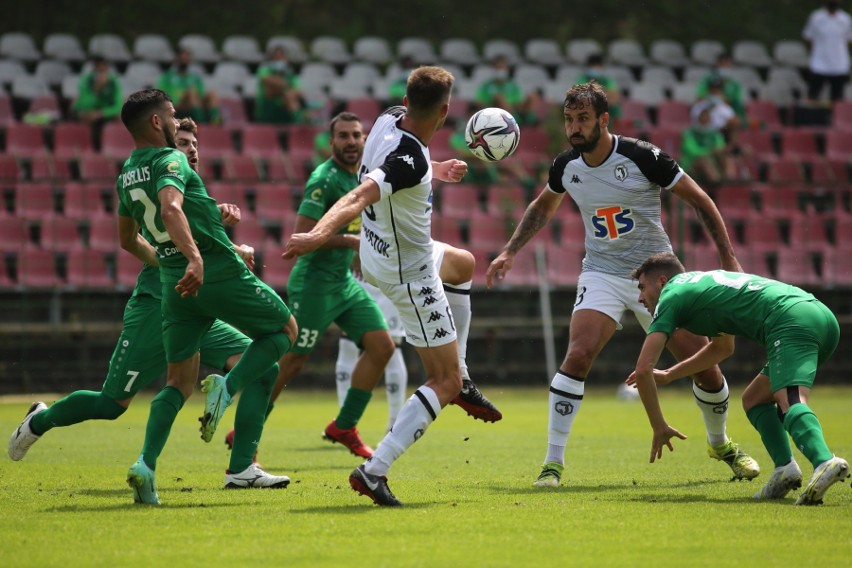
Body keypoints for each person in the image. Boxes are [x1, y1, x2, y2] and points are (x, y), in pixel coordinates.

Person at [485, 81, 759, 488]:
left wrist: (728, 258)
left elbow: (701, 200)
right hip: (602, 273)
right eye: (568, 120)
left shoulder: (643, 157)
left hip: (658, 275)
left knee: (706, 368)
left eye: (582, 119)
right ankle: (552, 464)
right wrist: (509, 250)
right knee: (577, 355)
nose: (574, 128)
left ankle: (721, 444)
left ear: (603, 120)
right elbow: (543, 205)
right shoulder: (566, 166)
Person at [7, 117, 289, 495]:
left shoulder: (189, 190)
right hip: (159, 305)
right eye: (183, 141)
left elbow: (193, 235)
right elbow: (142, 237)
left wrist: (228, 242)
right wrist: (175, 261)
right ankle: (40, 421)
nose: (190, 149)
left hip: (199, 308)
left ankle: (241, 468)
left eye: (195, 144)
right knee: (113, 404)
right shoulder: (162, 180)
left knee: (263, 369)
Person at [283, 66, 501, 506]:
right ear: (444, 112)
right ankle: (373, 470)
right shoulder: (410, 159)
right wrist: (317, 235)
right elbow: (358, 196)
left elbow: (400, 167)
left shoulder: (387, 118)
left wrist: (436, 169)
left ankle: (462, 374)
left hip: (378, 252)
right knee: (442, 381)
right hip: (408, 272)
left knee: (463, 264)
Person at [113, 89, 297, 504]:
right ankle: (227, 390)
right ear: (158, 123)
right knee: (285, 330)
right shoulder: (169, 161)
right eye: (173, 116)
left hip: (173, 286)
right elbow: (172, 209)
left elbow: (128, 237)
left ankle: (145, 464)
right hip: (211, 272)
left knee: (178, 383)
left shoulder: (127, 172)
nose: (179, 123)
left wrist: (177, 258)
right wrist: (196, 258)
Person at [629, 252, 850, 505]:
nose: (639, 297)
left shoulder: (671, 295)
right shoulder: (703, 285)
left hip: (790, 319)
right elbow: (722, 349)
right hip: (816, 313)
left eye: (642, 287)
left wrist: (659, 426)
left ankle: (825, 461)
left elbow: (644, 368)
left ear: (662, 281)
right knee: (755, 399)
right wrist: (670, 374)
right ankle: (784, 470)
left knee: (789, 397)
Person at [803, 0, 852, 103]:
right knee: (813, 96)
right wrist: (816, 53)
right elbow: (808, 38)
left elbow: (849, 40)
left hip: (839, 65)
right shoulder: (816, 17)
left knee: (837, 99)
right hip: (819, 64)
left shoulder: (846, 19)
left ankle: (835, 119)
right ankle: (810, 118)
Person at [157, 48, 221, 124]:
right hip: (176, 107)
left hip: (194, 107)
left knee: (212, 93)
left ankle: (215, 121)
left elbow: (201, 95)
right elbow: (161, 94)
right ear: (177, 59)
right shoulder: (167, 77)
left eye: (186, 58)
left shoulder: (195, 78)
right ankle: (201, 123)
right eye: (182, 58)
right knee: (191, 93)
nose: (184, 60)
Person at [475, 55, 540, 126]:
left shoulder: (513, 86)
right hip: (493, 117)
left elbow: (519, 104)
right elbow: (480, 105)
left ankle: (531, 123)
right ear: (493, 69)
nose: (501, 70)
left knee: (532, 95)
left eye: (503, 68)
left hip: (514, 113)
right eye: (498, 68)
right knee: (499, 97)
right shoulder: (485, 86)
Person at [254, 46, 305, 124]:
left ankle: (299, 117)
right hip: (267, 103)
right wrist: (283, 84)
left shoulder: (290, 74)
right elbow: (267, 80)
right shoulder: (264, 69)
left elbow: (298, 91)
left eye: (281, 56)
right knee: (286, 92)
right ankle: (298, 116)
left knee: (291, 95)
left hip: (285, 102)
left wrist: (291, 92)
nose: (279, 58)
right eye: (276, 56)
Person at [696, 53, 746, 122]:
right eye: (722, 64)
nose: (725, 67)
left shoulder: (735, 85)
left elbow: (736, 102)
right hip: (709, 112)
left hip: (728, 114)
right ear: (717, 64)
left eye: (727, 65)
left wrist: (725, 101)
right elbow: (700, 97)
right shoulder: (707, 80)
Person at [576, 54, 622, 125]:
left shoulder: (607, 80)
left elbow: (615, 98)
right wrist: (605, 94)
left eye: (599, 66)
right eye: (594, 66)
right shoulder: (582, 79)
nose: (597, 69)